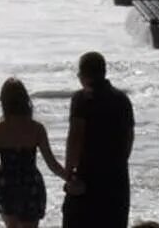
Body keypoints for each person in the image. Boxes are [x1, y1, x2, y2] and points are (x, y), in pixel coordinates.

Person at [0, 78, 69, 227]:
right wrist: (70, 178)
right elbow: (51, 163)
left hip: (7, 185)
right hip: (31, 185)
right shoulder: (36, 128)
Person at [63, 50, 133, 228]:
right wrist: (118, 162)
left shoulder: (82, 99)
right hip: (116, 178)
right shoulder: (122, 99)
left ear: (84, 75)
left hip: (88, 176)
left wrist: (69, 172)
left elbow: (75, 137)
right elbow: (129, 138)